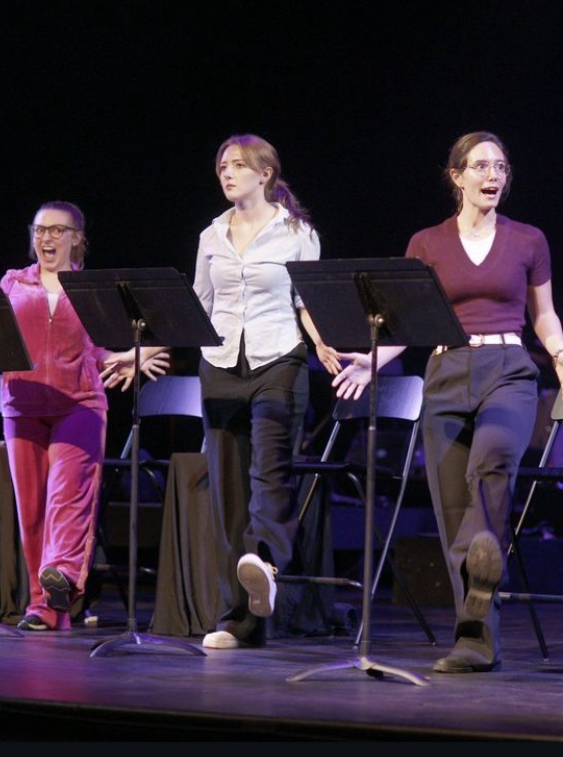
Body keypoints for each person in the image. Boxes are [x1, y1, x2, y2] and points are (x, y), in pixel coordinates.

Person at [333, 131, 563, 673]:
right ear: (456, 176)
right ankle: (476, 639)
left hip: (508, 368)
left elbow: (543, 313)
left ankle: (485, 564)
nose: (493, 176)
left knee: (493, 462)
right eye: (481, 166)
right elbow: (408, 320)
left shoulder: (528, 239)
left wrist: (557, 350)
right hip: (445, 371)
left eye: (501, 168)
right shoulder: (426, 243)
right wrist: (374, 360)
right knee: (452, 509)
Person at [193, 134, 340, 649]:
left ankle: (263, 562)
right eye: (222, 166)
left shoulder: (296, 232)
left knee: (270, 472)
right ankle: (237, 618)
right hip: (220, 363)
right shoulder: (212, 234)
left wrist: (322, 345)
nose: (227, 174)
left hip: (279, 357)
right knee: (227, 491)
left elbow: (307, 300)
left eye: (237, 165)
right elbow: (200, 303)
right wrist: (144, 350)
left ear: (265, 174)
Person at [1, 200, 168, 631]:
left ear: (78, 238)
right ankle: (45, 608)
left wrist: (127, 358)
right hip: (23, 405)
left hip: (79, 404)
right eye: (40, 230)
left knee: (67, 497)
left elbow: (99, 349)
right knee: (32, 510)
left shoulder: (93, 290)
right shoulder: (13, 284)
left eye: (58, 231)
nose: (47, 239)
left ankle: (62, 575)